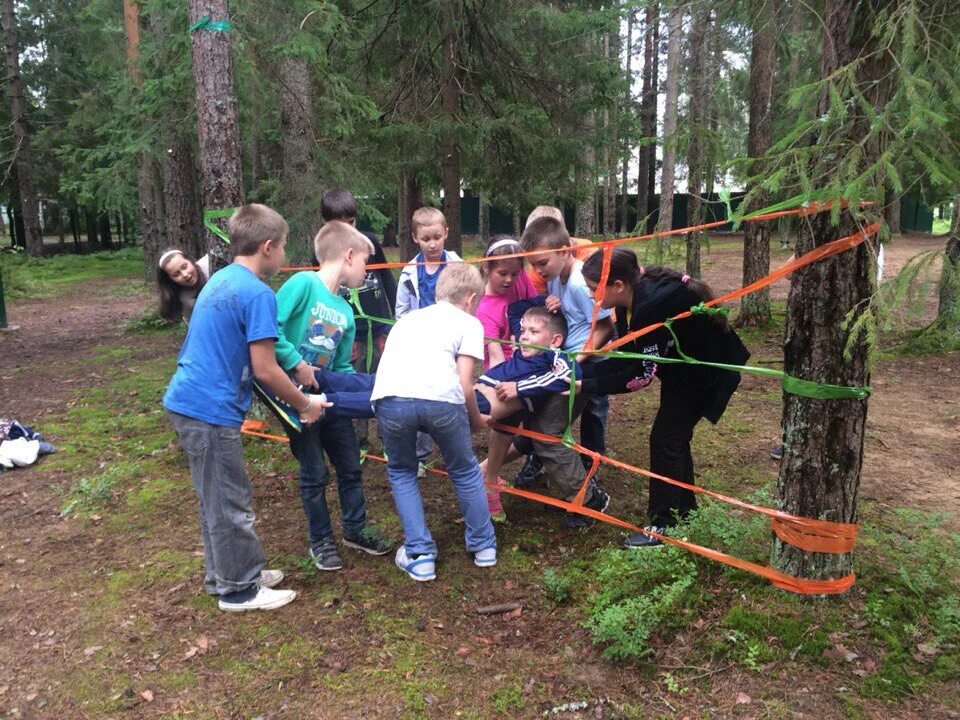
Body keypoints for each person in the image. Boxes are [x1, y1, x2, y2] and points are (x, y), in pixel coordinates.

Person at [163, 204, 328, 612]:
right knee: (229, 501)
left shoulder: (223, 278)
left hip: (190, 402)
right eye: (285, 246)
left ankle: (227, 572)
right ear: (268, 247)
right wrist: (306, 404)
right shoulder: (256, 293)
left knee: (215, 498)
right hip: (207, 408)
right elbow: (266, 370)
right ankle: (239, 589)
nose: (286, 255)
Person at [581, 248, 750, 548]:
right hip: (683, 372)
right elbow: (629, 356)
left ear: (617, 286)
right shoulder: (628, 302)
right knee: (672, 439)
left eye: (595, 289)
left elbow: (640, 375)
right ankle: (684, 514)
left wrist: (585, 385)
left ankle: (663, 527)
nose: (592, 296)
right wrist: (584, 373)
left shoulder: (648, 307)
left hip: (705, 375)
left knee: (666, 439)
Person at [270, 221, 392, 571]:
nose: (367, 271)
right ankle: (321, 541)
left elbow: (342, 369)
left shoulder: (344, 311)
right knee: (314, 473)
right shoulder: (303, 284)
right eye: (365, 262)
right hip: (297, 400)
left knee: (350, 466)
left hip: (331, 402)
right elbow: (267, 327)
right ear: (349, 255)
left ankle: (355, 529)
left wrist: (361, 397)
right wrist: (296, 364)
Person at [372, 263, 496, 582]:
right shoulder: (469, 322)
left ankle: (420, 554)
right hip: (442, 399)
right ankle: (483, 546)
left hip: (391, 398)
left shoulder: (408, 320)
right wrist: (476, 420)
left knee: (402, 470)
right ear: (470, 298)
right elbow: (465, 383)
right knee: (465, 468)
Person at [511, 216, 614, 530]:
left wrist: (578, 359)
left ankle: (589, 502)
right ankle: (581, 494)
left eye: (542, 262)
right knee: (541, 429)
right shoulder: (557, 279)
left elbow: (606, 326)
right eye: (533, 265)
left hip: (584, 367)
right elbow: (573, 320)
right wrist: (554, 307)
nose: (538, 271)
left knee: (547, 433)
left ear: (565, 249)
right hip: (563, 364)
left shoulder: (583, 283)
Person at [320, 188, 398, 454]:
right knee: (354, 384)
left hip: (378, 328)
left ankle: (389, 440)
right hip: (347, 333)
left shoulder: (370, 241)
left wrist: (391, 323)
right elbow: (322, 299)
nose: (347, 229)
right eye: (339, 224)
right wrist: (340, 338)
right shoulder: (322, 252)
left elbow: (387, 279)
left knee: (384, 381)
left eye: (350, 222)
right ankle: (359, 443)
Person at [394, 206, 463, 476]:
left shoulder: (456, 266)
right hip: (420, 346)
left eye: (437, 237)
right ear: (415, 238)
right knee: (422, 396)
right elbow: (401, 312)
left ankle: (454, 452)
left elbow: (469, 300)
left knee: (452, 394)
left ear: (446, 233)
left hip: (451, 343)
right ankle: (420, 456)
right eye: (426, 239)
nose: (432, 244)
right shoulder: (410, 271)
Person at [475, 235, 539, 519]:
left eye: (515, 273)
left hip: (530, 360)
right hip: (502, 369)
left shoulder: (521, 281)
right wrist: (503, 384)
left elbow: (532, 311)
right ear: (487, 268)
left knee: (521, 426)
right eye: (503, 273)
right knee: (503, 423)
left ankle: (487, 472)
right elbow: (495, 354)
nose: (510, 280)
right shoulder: (484, 306)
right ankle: (487, 482)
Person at [157, 249, 210, 322]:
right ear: (170, 280)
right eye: (176, 274)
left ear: (190, 261)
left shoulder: (209, 263)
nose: (185, 275)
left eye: (185, 267)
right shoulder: (183, 300)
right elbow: (195, 324)